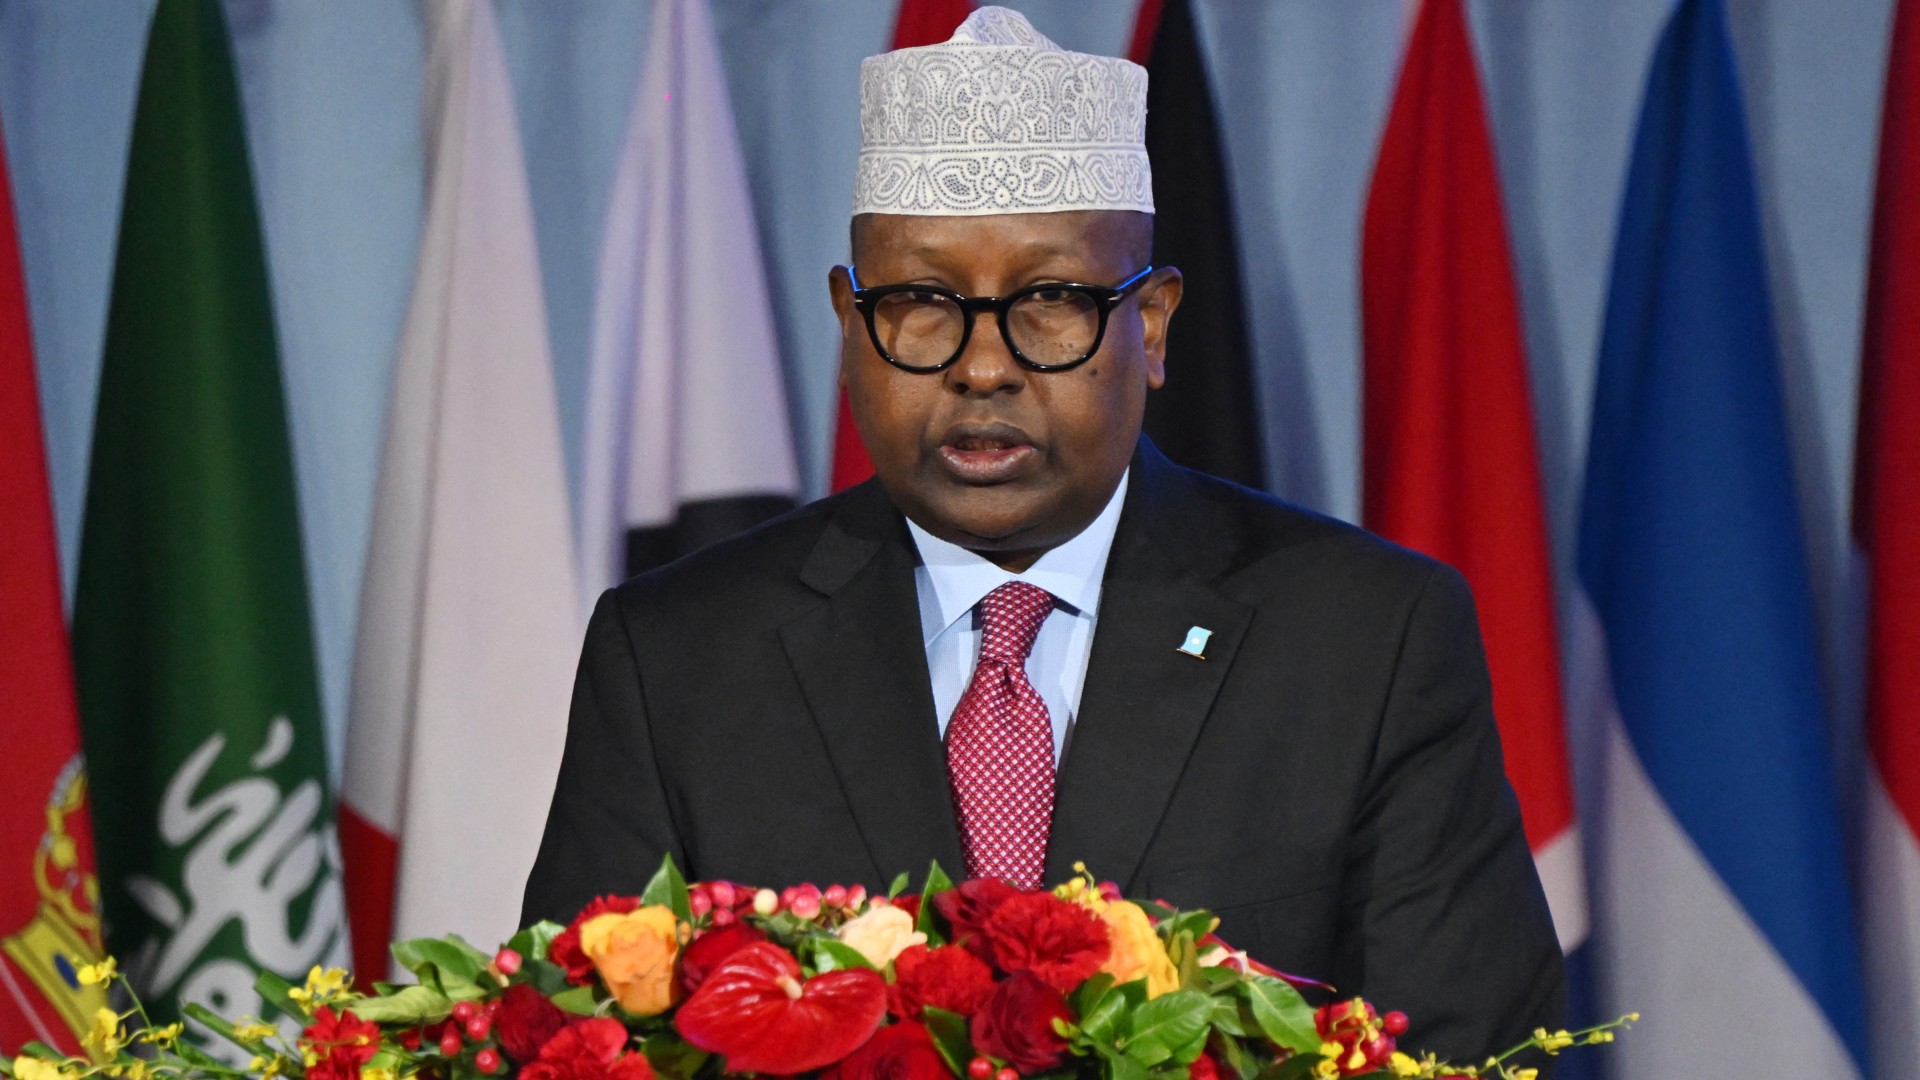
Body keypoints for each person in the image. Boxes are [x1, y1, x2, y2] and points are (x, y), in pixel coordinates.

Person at [523, 7, 1563, 1063]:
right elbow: (575, 1048)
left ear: (1149, 326)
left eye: (1051, 301)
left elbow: (1471, 1054)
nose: (984, 367)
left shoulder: (1365, 642)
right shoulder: (678, 658)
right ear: (850, 327)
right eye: (923, 301)